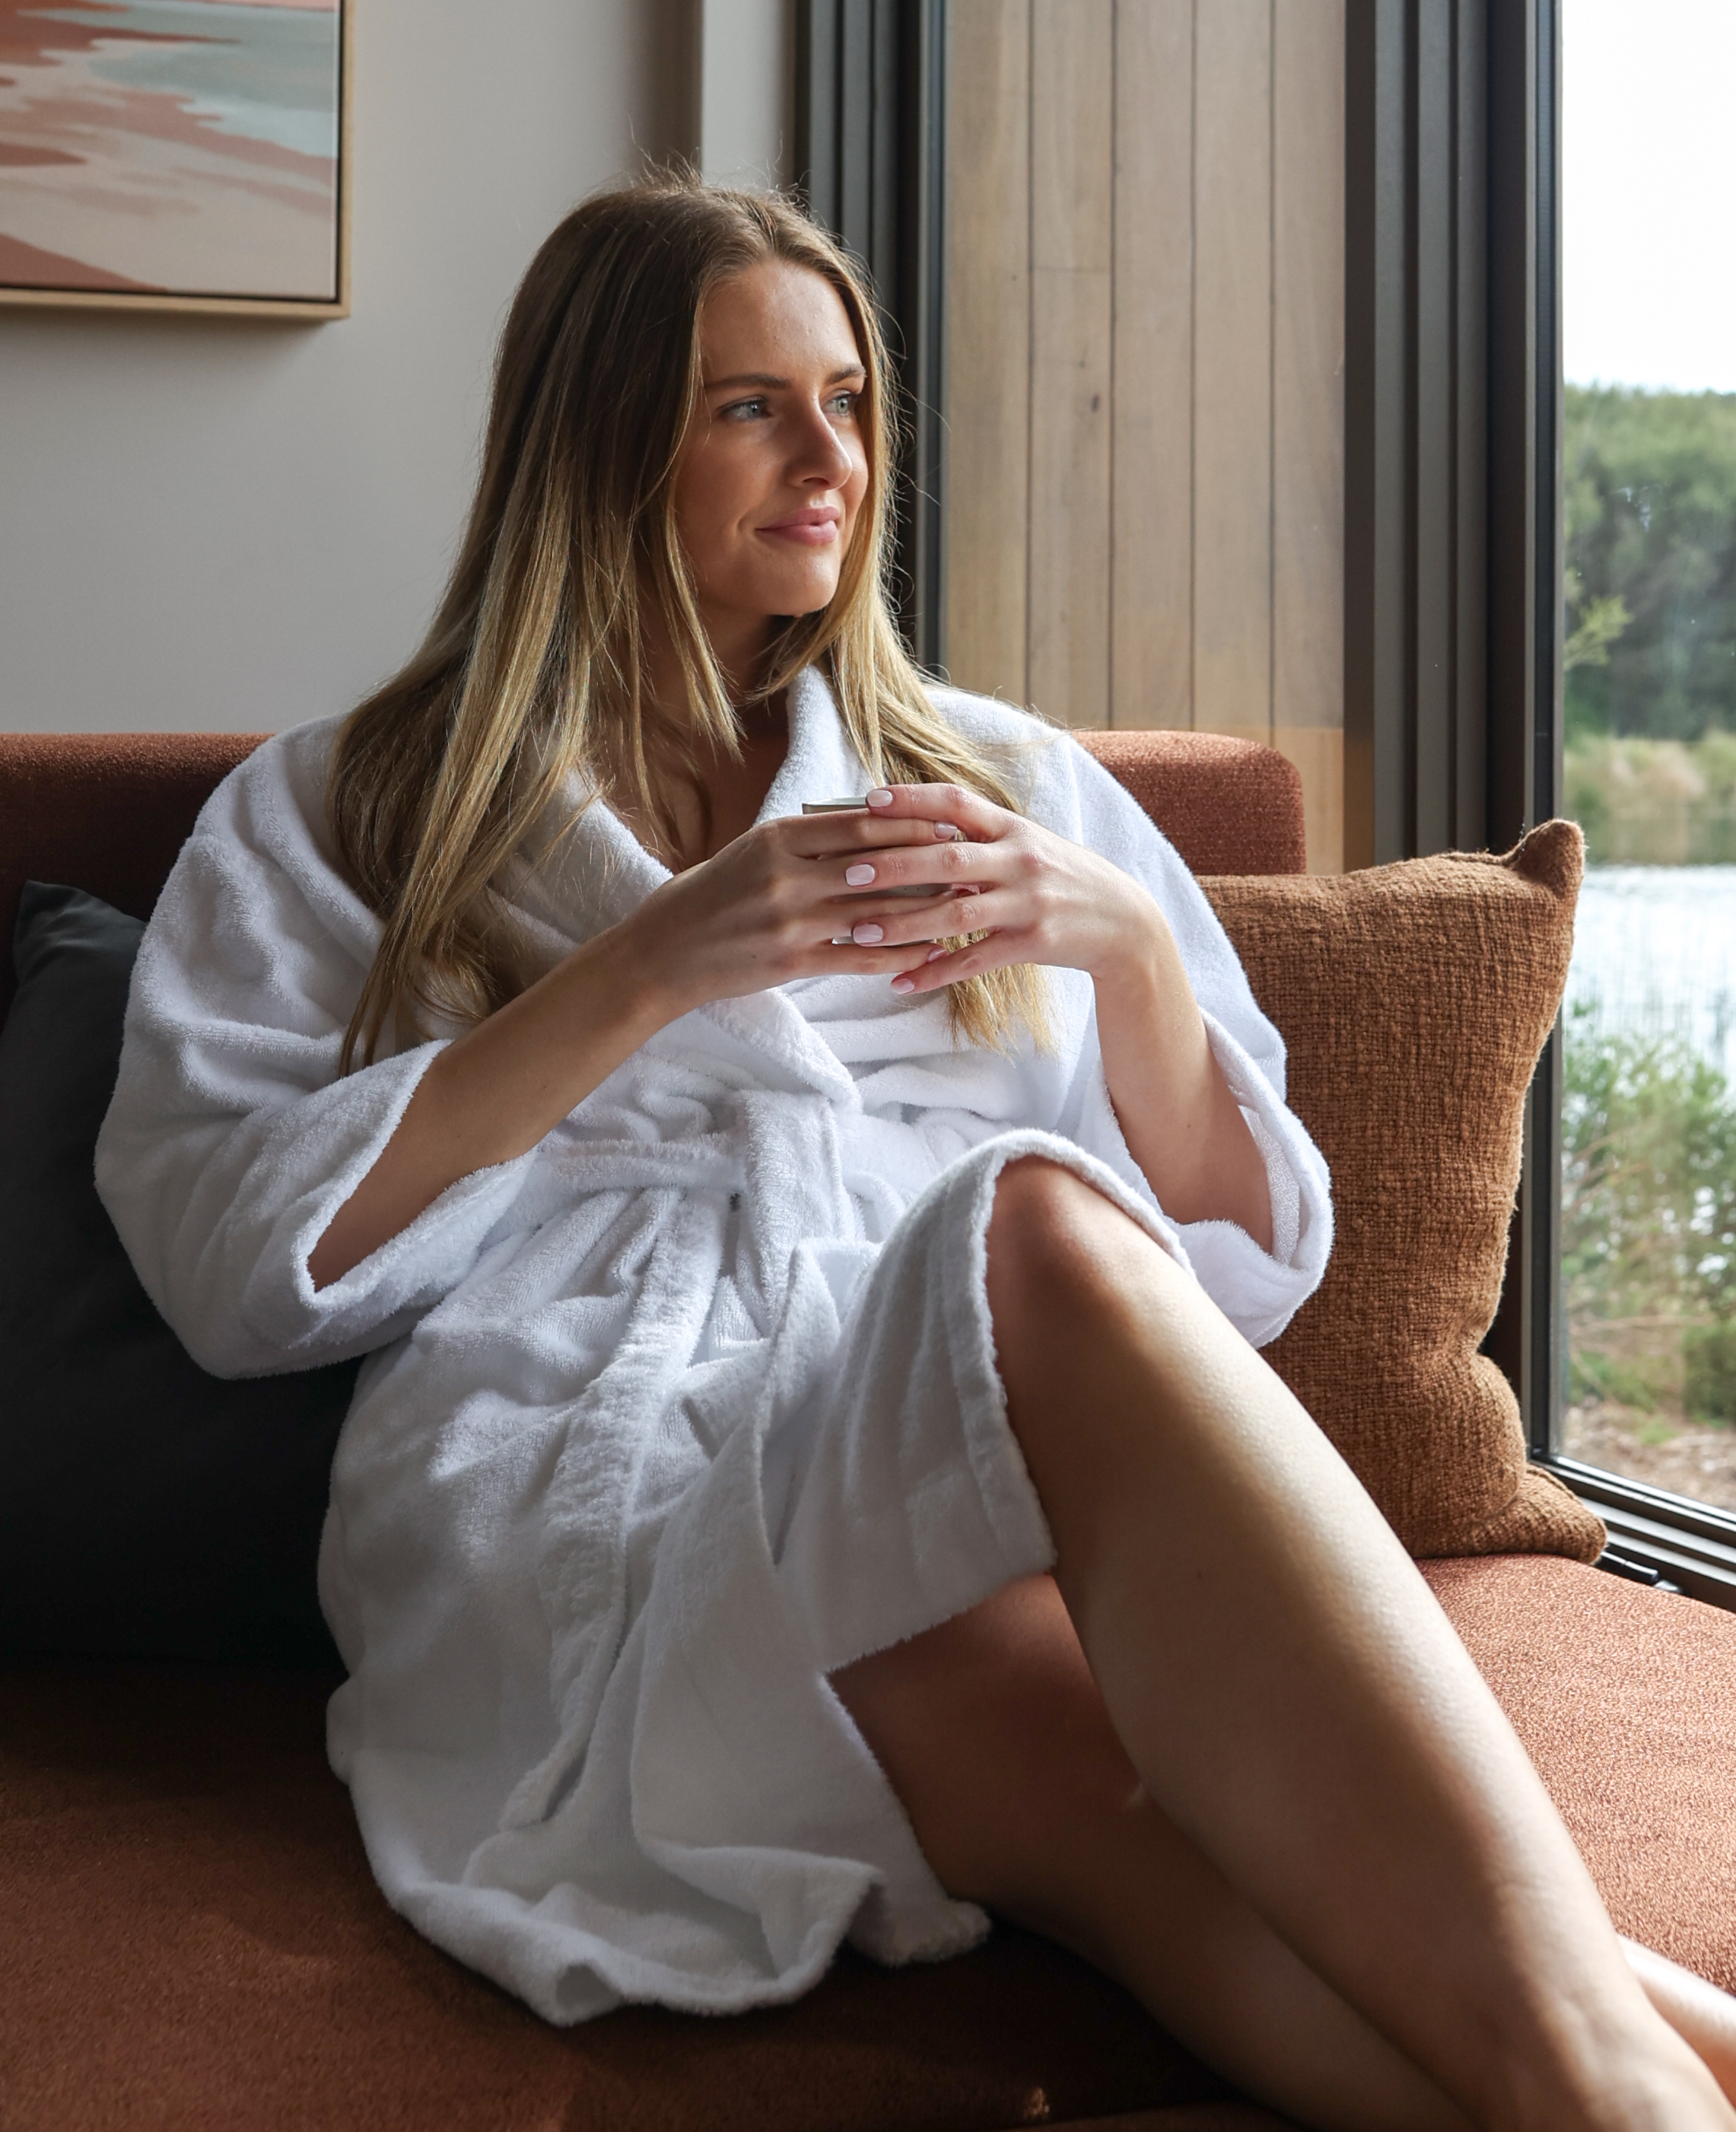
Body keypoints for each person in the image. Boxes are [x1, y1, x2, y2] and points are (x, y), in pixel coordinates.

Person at [97, 173, 1736, 2132]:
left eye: (848, 402)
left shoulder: (993, 778)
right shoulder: (354, 806)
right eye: (750, 407)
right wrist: (643, 968)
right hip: (595, 1489)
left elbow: (1232, 1272)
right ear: (596, 442)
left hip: (963, 1501)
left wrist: (1132, 954)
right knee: (1031, 1226)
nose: (831, 462)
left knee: (1140, 1823)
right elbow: (231, 1260)